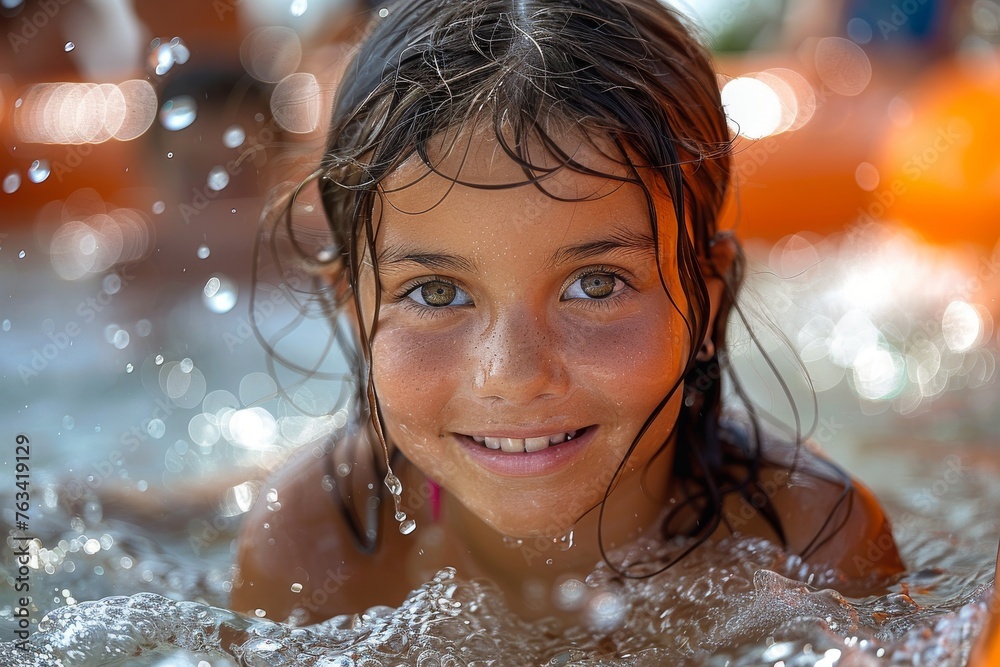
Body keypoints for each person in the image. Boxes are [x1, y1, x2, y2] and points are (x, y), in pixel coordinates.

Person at [231, 0, 904, 626]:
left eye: (595, 284)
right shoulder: (317, 548)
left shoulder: (810, 541)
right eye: (437, 292)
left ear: (708, 300)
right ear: (353, 307)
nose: (513, 374)